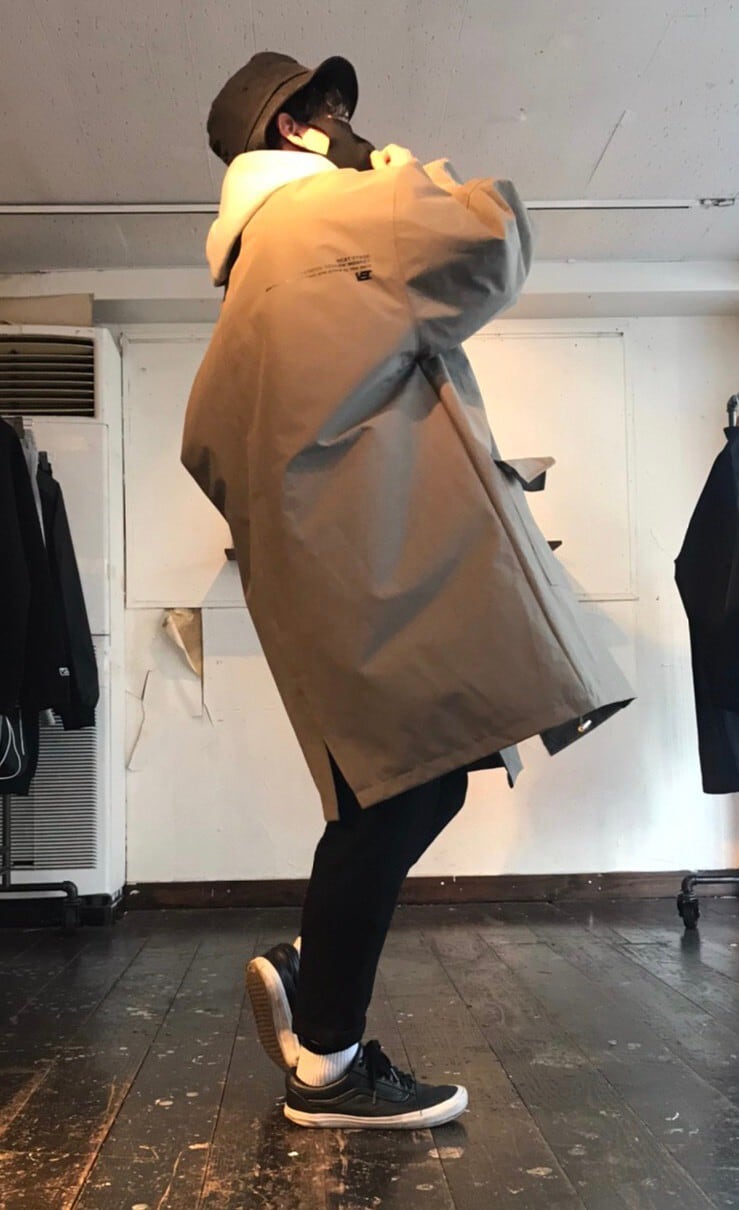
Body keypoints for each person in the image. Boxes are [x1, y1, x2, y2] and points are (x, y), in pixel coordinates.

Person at [182, 51, 633, 1129]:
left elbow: (206, 451)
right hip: (389, 576)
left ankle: (315, 978)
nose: (347, 123)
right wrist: (394, 170)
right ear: (294, 131)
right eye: (330, 109)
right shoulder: (331, 211)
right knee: (402, 792)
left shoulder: (242, 294)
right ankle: (326, 1067)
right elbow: (494, 235)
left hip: (324, 591)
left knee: (413, 786)